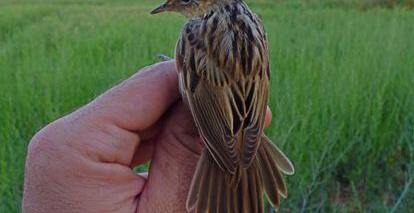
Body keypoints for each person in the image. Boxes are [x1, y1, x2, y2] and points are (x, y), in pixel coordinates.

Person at [22, 61, 271, 212]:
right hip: (250, 115)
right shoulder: (256, 27)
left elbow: (198, 93)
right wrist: (247, 128)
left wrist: (216, 136)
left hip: (217, 128)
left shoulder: (194, 33)